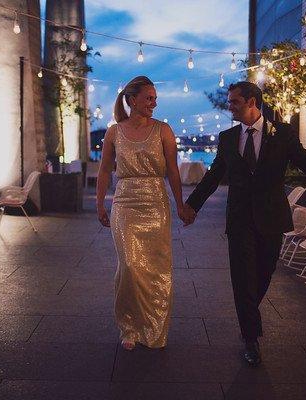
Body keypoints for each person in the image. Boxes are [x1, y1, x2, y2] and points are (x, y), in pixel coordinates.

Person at [183, 81, 306, 366]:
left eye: (234, 101)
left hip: (272, 217)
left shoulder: (282, 133)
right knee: (242, 278)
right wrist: (192, 205)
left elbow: (302, 159)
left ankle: (248, 314)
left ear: (252, 102)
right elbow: (214, 175)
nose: (230, 106)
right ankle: (251, 338)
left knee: (264, 272)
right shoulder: (228, 138)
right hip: (239, 218)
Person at [95, 76, 189, 350]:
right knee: (130, 267)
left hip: (156, 204)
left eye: (155, 98)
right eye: (149, 98)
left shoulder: (164, 130)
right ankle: (130, 326)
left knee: (157, 269)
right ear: (132, 99)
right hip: (124, 204)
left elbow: (173, 171)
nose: (154, 103)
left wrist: (180, 205)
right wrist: (100, 205)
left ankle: (153, 327)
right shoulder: (114, 132)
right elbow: (104, 171)